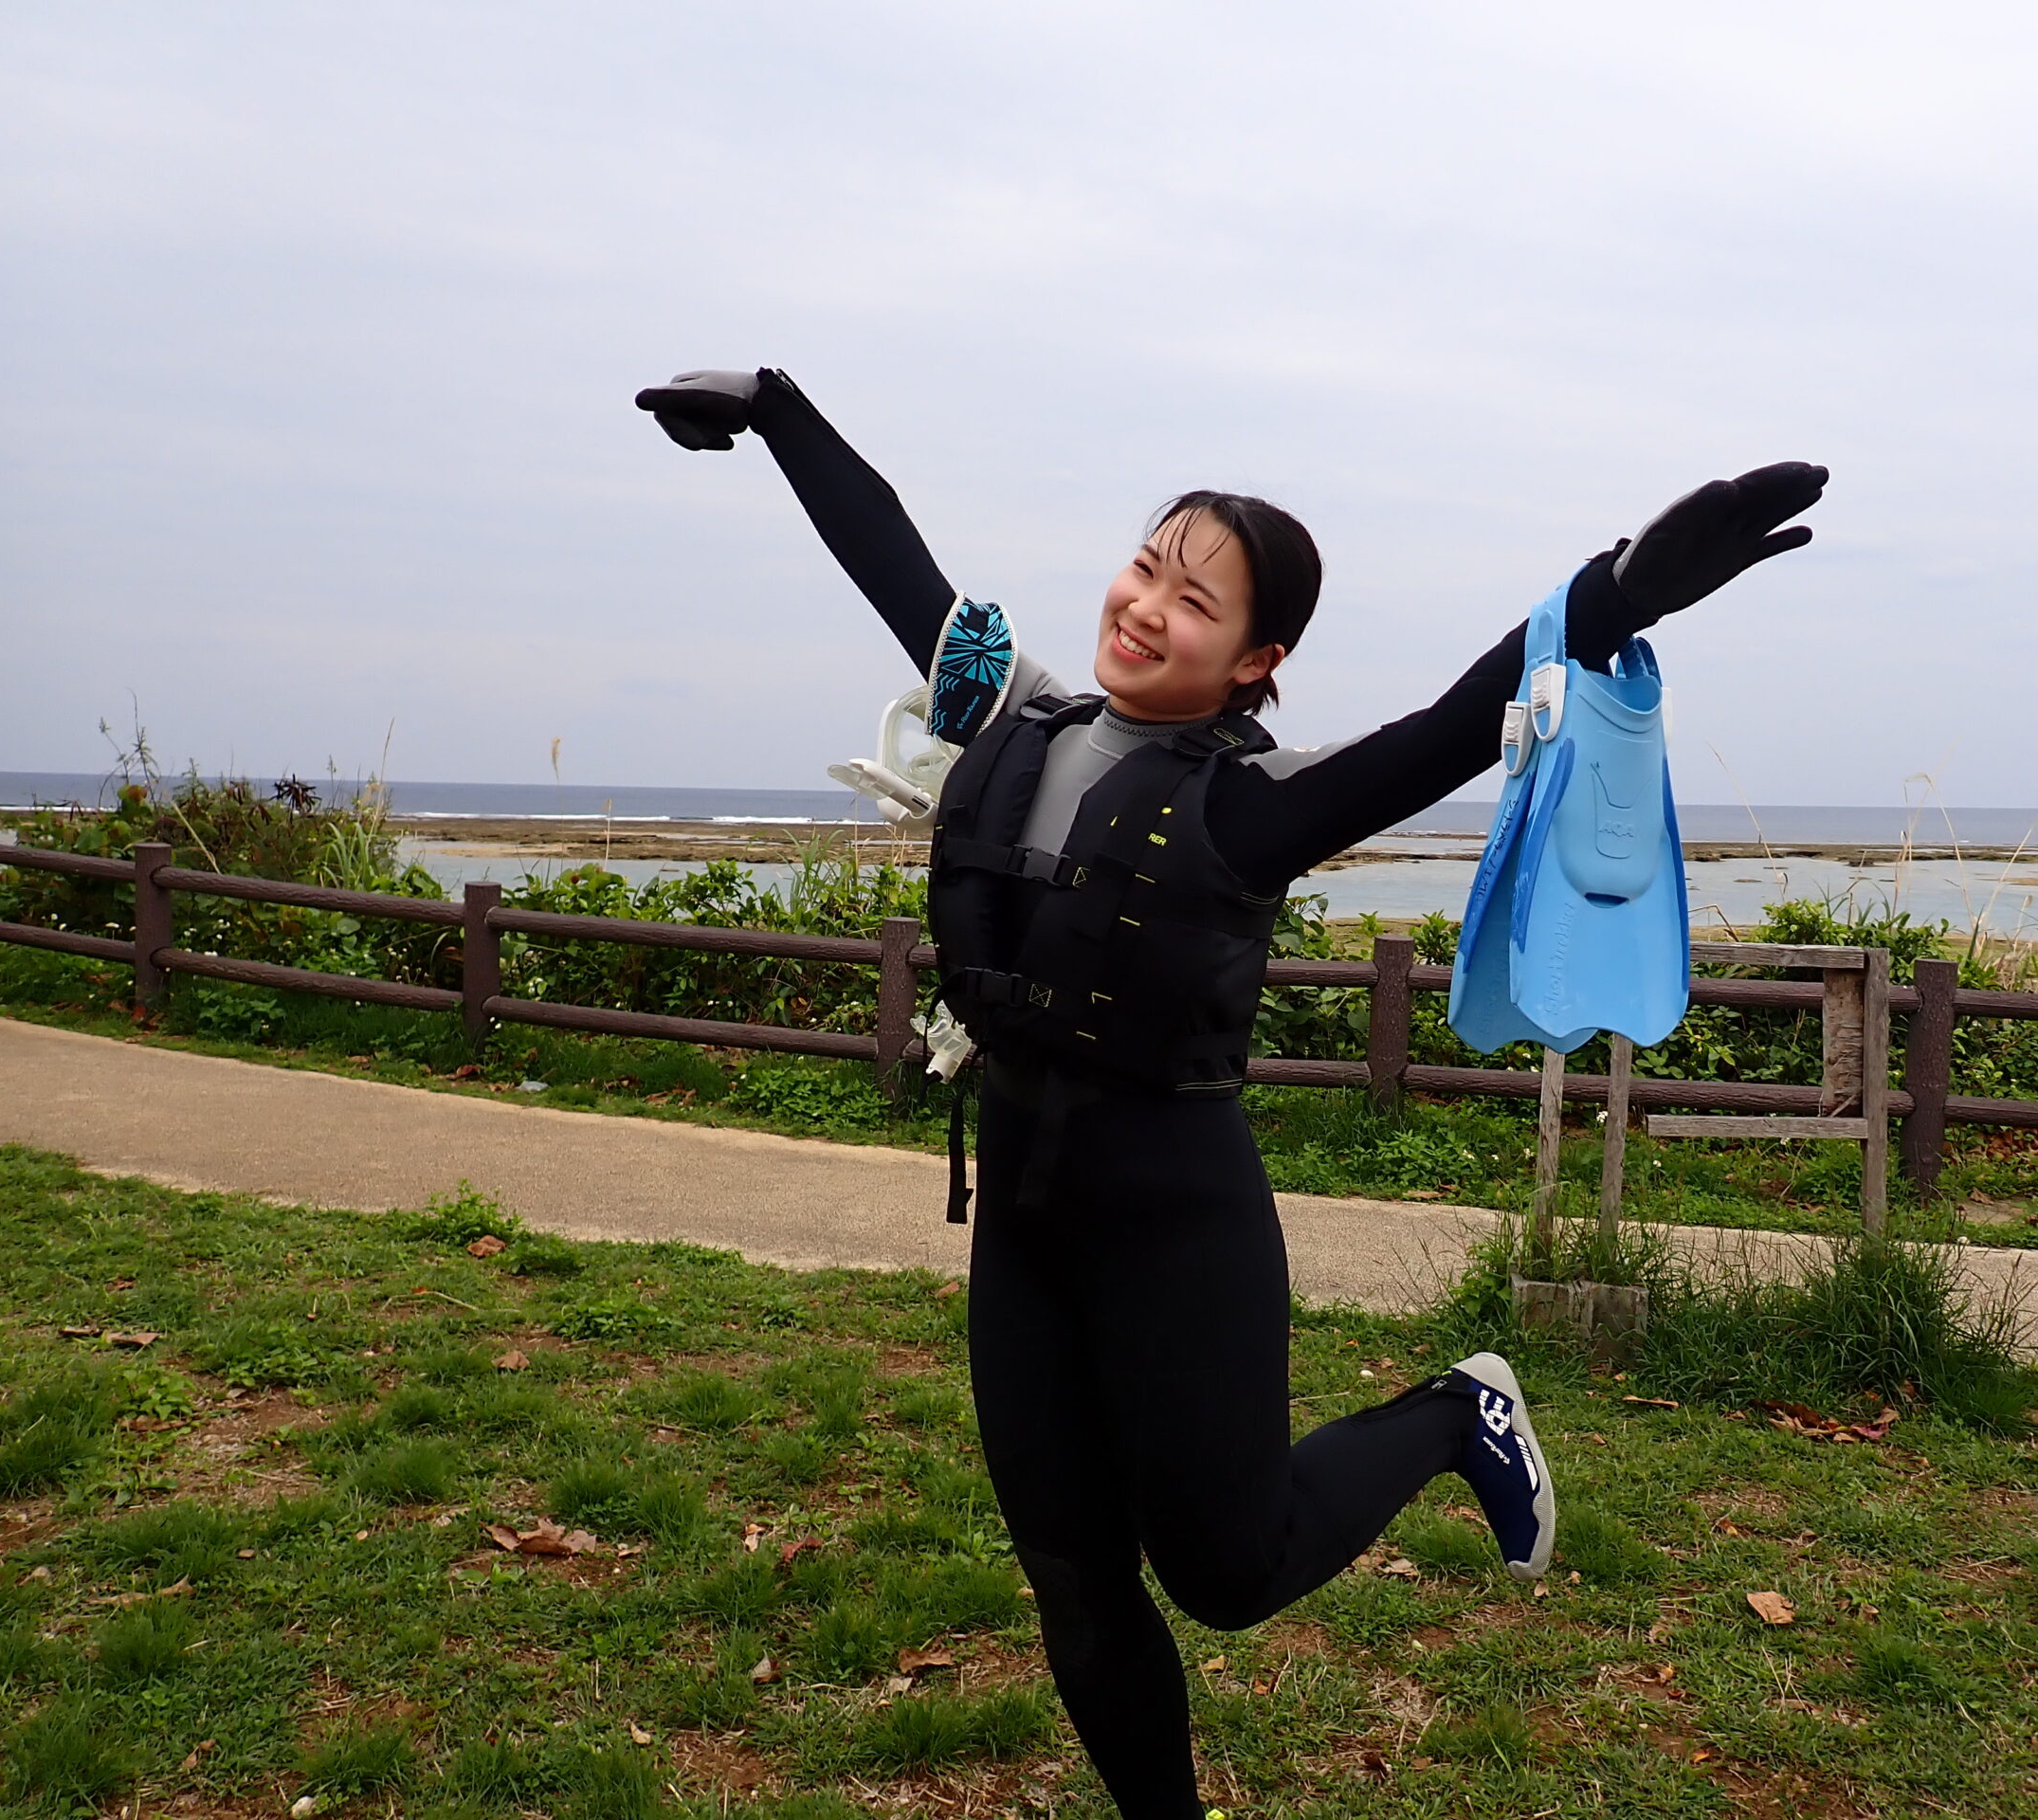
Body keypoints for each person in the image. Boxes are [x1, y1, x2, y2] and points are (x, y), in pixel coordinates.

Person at [637, 367, 1825, 1820]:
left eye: (1194, 601)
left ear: (1256, 660)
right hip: (1024, 1217)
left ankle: (1457, 1415)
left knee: (1228, 1574)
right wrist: (775, 408)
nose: (1146, 607)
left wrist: (1616, 594)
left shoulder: (1254, 806)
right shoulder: (1007, 714)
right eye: (1146, 567)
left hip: (1176, 1225)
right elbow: (887, 551)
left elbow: (1454, 723)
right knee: (1074, 1580)